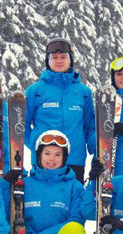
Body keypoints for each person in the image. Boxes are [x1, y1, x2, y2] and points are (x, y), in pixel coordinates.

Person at [25, 38, 95, 182]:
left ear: (70, 60)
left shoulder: (83, 92)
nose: (59, 61)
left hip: (74, 159)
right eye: (54, 57)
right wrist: (36, 145)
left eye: (63, 57)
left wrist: (98, 151)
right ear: (47, 61)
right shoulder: (35, 91)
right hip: (44, 159)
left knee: (73, 202)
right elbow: (21, 125)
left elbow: (90, 127)